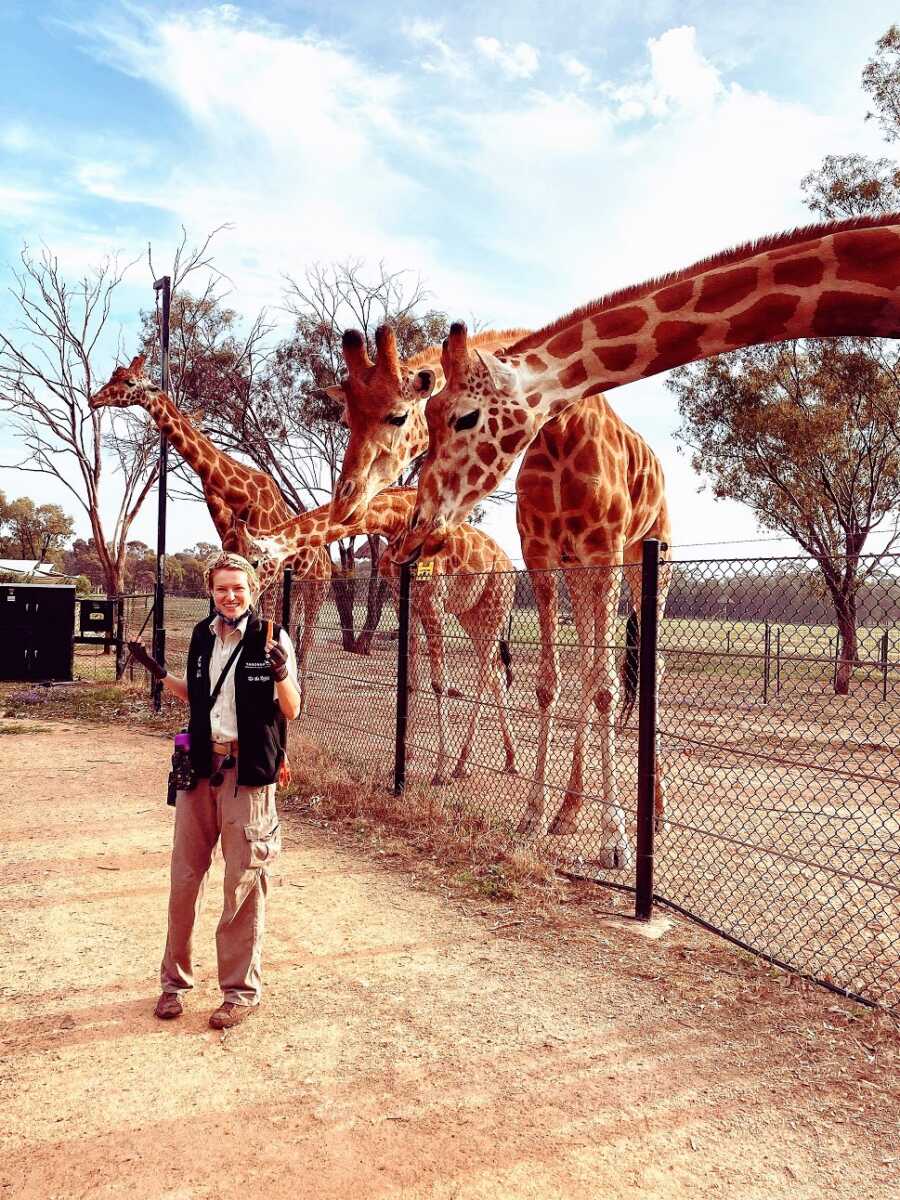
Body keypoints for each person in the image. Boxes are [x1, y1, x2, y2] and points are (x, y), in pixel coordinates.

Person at [128, 552, 301, 1029]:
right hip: (200, 770)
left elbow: (291, 710)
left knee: (242, 884)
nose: (230, 596)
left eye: (238, 588)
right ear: (211, 591)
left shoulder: (272, 638)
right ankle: (172, 984)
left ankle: (240, 993)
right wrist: (156, 670)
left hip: (248, 776)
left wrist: (283, 672)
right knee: (185, 879)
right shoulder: (203, 636)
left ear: (253, 590)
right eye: (222, 588)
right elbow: (200, 696)